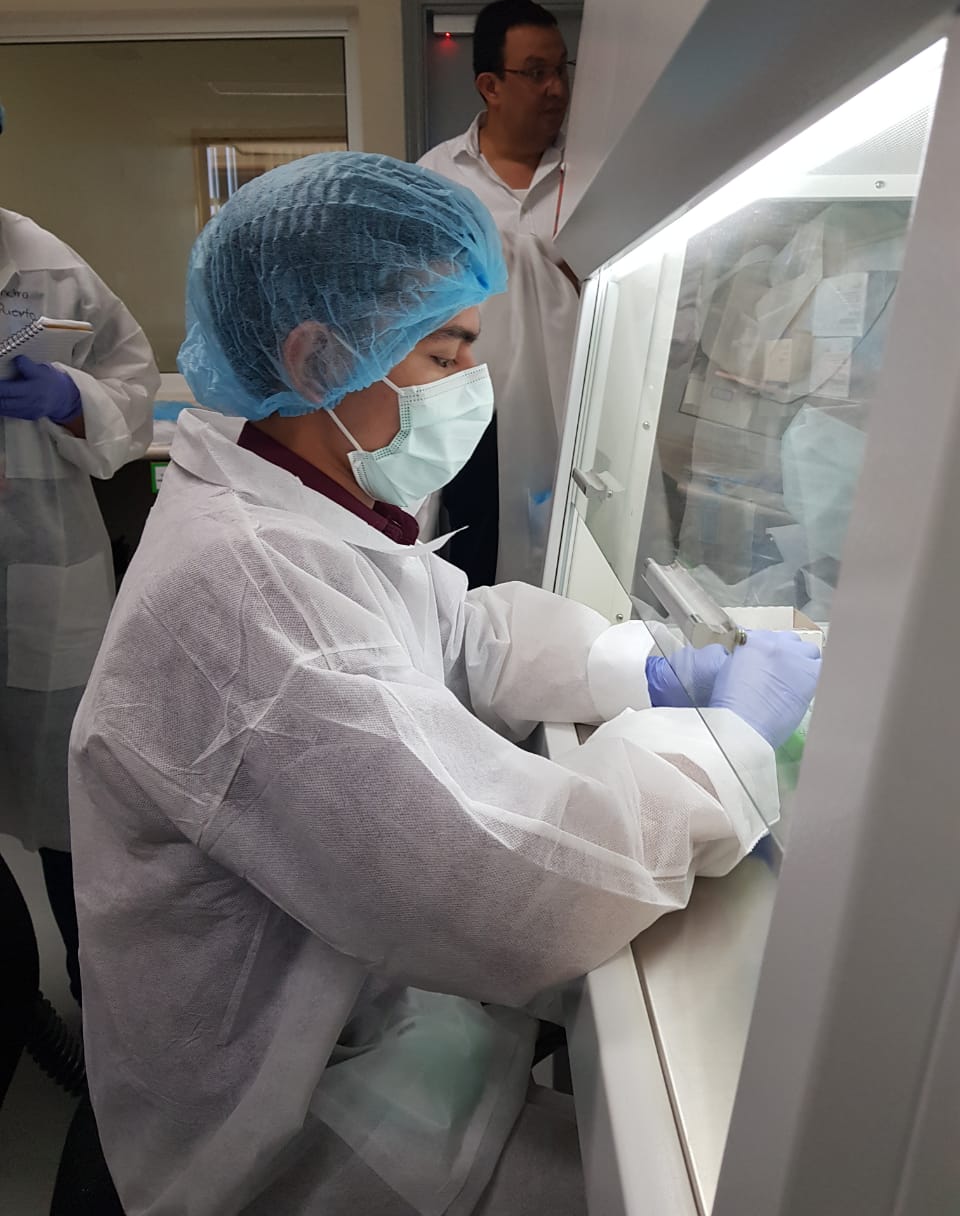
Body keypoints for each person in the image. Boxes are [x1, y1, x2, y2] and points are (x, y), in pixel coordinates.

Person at [68, 152, 820, 1216]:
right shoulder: (245, 595)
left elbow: (451, 630)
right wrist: (724, 748)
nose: (478, 380)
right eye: (446, 350)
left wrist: (637, 667)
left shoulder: (292, 495)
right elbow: (519, 899)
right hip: (287, 1138)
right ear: (318, 356)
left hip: (366, 1026)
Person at [0, 103, 159, 1004]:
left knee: (71, 811)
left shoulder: (49, 268)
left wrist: (70, 399)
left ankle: (92, 1000)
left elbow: (132, 385)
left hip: (44, 569)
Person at [419, 0, 580, 587]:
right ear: (490, 85)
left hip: (574, 408)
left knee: (568, 555)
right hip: (473, 415)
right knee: (476, 564)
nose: (555, 88)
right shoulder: (437, 180)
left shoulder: (589, 174)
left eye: (560, 69)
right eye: (535, 72)